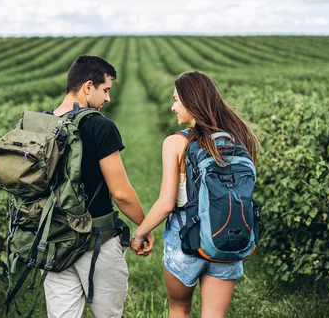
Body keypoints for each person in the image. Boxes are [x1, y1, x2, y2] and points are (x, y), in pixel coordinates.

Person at [129, 71, 260, 318]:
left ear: (192, 102)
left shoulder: (175, 143)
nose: (172, 107)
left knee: (179, 310)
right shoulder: (236, 138)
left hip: (185, 239)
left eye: (177, 100)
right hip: (226, 236)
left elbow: (167, 203)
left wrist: (139, 234)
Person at [44, 55, 154, 318]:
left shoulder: (44, 123)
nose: (107, 99)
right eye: (105, 90)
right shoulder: (100, 126)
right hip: (97, 241)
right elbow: (121, 194)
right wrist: (144, 226)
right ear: (88, 86)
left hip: (55, 240)